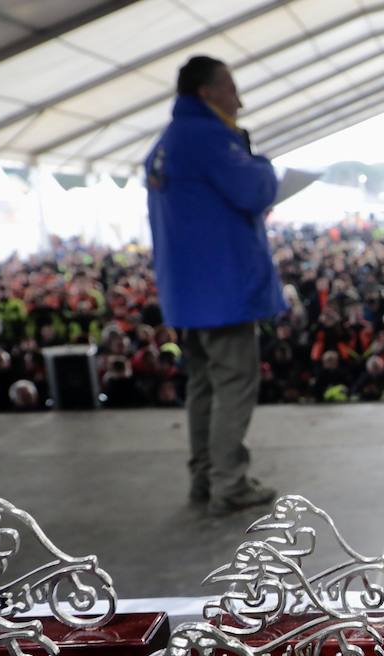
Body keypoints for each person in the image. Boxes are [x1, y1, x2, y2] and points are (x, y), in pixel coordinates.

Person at [146, 55, 281, 514]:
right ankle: (230, 483)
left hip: (187, 293)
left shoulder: (167, 142)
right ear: (206, 92)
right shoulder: (209, 138)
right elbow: (256, 190)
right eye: (230, 89)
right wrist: (253, 156)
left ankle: (203, 478)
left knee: (203, 386)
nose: (238, 100)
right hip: (223, 291)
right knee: (234, 384)